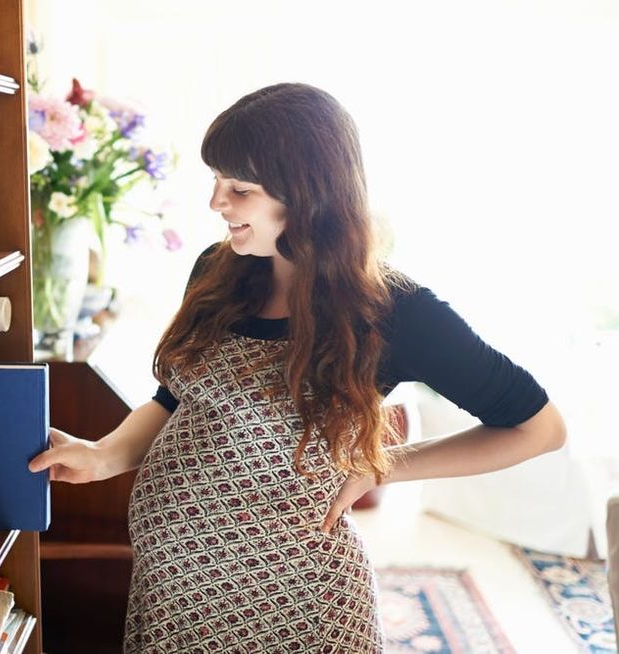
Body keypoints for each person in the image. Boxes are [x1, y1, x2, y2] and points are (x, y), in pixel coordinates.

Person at [28, 82, 567, 652]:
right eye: (216, 181)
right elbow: (176, 401)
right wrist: (103, 454)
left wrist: (386, 468)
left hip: (295, 606)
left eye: (240, 189)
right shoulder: (218, 270)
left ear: (308, 196)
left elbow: (540, 428)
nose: (217, 202)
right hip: (172, 596)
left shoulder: (392, 310)